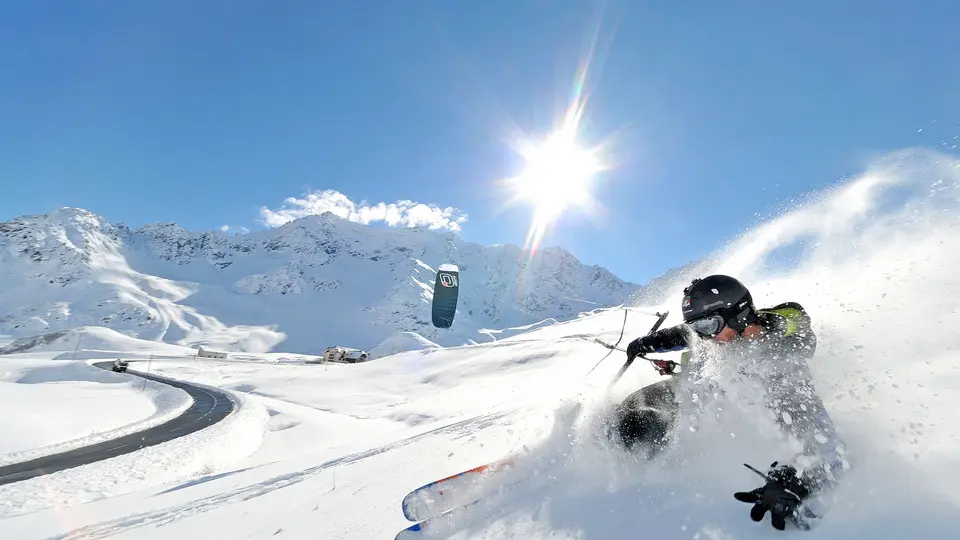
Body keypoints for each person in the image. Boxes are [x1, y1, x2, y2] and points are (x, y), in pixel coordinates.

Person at [616, 274, 848, 531]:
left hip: (713, 426)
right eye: (697, 329)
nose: (702, 337)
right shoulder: (721, 338)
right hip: (694, 393)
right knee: (628, 415)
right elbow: (688, 334)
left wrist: (797, 482)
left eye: (707, 327)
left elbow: (830, 454)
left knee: (640, 430)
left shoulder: (781, 368)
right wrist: (647, 343)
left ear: (739, 315)